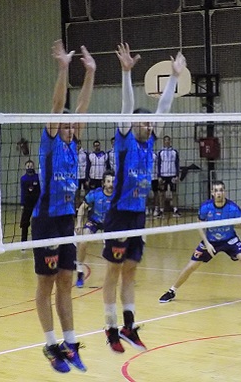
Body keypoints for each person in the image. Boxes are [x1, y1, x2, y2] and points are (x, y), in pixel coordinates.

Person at [102, 42, 186, 353]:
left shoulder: (150, 141)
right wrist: (127, 73)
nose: (149, 125)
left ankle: (128, 324)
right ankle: (110, 327)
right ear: (133, 125)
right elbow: (127, 107)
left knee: (131, 270)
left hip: (138, 214)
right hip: (119, 214)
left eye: (150, 123)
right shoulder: (124, 140)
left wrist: (174, 76)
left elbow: (163, 109)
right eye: (144, 122)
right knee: (113, 270)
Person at [31, 39, 95, 373]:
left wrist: (91, 73)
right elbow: (59, 106)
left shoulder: (74, 144)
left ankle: (70, 344)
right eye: (67, 125)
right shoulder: (52, 142)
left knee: (66, 281)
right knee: (46, 283)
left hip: (66, 220)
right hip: (46, 220)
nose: (71, 128)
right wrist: (63, 68)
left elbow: (82, 106)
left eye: (73, 126)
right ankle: (50, 344)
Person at [158, 180, 241, 303]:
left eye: (221, 190)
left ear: (225, 192)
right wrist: (206, 243)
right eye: (216, 190)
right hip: (211, 241)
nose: (219, 193)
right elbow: (200, 225)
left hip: (230, 240)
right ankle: (172, 291)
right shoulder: (206, 207)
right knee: (191, 266)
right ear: (212, 193)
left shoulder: (232, 208)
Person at [75, 170, 115, 288]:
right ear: (103, 183)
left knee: (114, 248)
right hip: (94, 222)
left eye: (113, 181)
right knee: (83, 241)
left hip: (110, 224)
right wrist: (78, 223)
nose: (111, 184)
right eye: (108, 181)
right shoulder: (95, 194)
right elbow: (82, 207)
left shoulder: (118, 196)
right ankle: (80, 271)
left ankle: (113, 275)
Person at [157, 135, 181, 217]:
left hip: (172, 175)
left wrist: (177, 175)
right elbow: (158, 164)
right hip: (163, 175)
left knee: (174, 193)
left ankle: (175, 210)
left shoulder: (174, 152)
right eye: (165, 140)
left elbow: (177, 164)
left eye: (168, 140)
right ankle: (161, 210)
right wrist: (159, 176)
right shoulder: (160, 152)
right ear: (163, 142)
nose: (167, 142)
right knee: (162, 193)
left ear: (170, 141)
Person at [20, 159, 40, 242]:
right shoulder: (23, 178)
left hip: (37, 202)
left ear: (34, 167)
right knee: (24, 223)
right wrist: (22, 203)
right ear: (25, 167)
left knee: (37, 222)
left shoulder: (38, 177)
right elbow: (22, 192)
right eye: (28, 166)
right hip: (27, 203)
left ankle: (37, 239)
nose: (30, 167)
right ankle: (23, 241)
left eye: (31, 166)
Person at [76, 139, 88, 208]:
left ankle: (86, 205)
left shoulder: (85, 153)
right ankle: (77, 206)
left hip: (83, 176)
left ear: (80, 144)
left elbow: (88, 165)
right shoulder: (72, 153)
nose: (77, 145)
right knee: (77, 192)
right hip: (76, 176)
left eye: (78, 144)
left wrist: (87, 177)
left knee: (86, 192)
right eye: (76, 144)